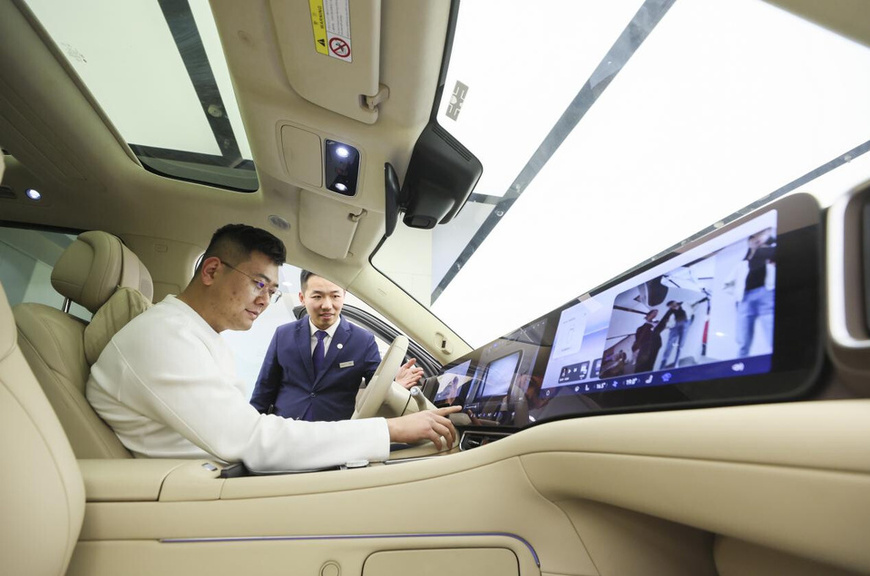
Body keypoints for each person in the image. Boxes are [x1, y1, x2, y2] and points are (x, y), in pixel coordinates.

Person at [86, 224, 459, 472]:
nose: (265, 300)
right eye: (258, 284)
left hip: (230, 474)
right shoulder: (162, 338)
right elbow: (249, 438)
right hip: (213, 487)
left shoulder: (196, 335)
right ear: (212, 271)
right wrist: (391, 430)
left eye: (272, 290)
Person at [250, 270, 423, 421]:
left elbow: (377, 389)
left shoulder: (363, 341)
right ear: (302, 298)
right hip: (285, 431)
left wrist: (394, 385)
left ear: (344, 296)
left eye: (335, 296)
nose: (327, 305)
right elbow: (264, 391)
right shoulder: (283, 335)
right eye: (317, 296)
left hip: (335, 437)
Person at [734, 229, 776, 356]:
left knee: (770, 332)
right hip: (745, 297)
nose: (755, 239)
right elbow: (734, 281)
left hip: (765, 293)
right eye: (752, 238)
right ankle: (739, 366)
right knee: (743, 338)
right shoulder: (745, 260)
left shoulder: (769, 250)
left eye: (758, 236)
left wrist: (766, 237)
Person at [631, 309, 665, 373]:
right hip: (644, 346)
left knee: (650, 364)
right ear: (649, 314)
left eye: (656, 313)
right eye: (654, 312)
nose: (655, 314)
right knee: (641, 365)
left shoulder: (656, 323)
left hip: (652, 345)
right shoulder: (641, 327)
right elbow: (638, 338)